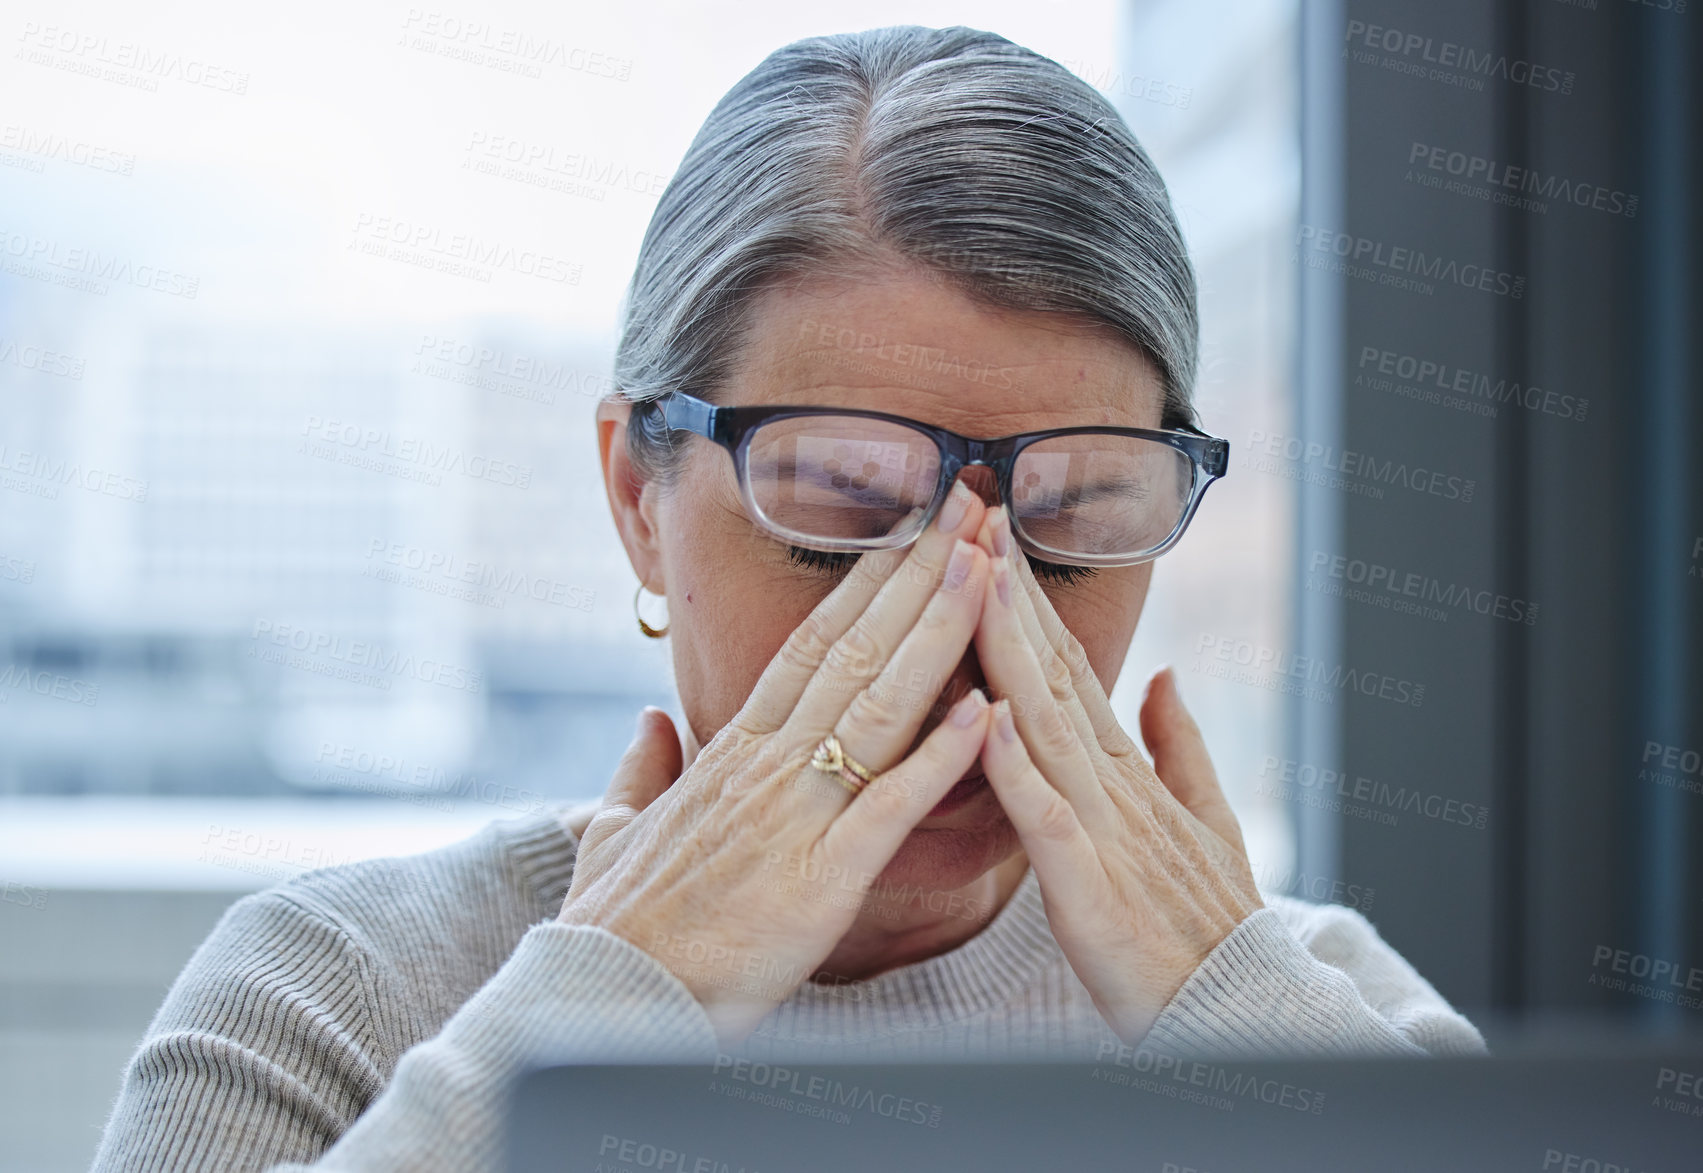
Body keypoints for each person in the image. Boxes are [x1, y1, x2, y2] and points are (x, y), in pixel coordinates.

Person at [91, 25, 1484, 1173]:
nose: (961, 630)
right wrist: (605, 1007)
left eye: (1072, 518)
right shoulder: (341, 992)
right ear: (638, 499)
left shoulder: (1316, 1009)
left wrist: (1247, 1045)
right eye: (841, 512)